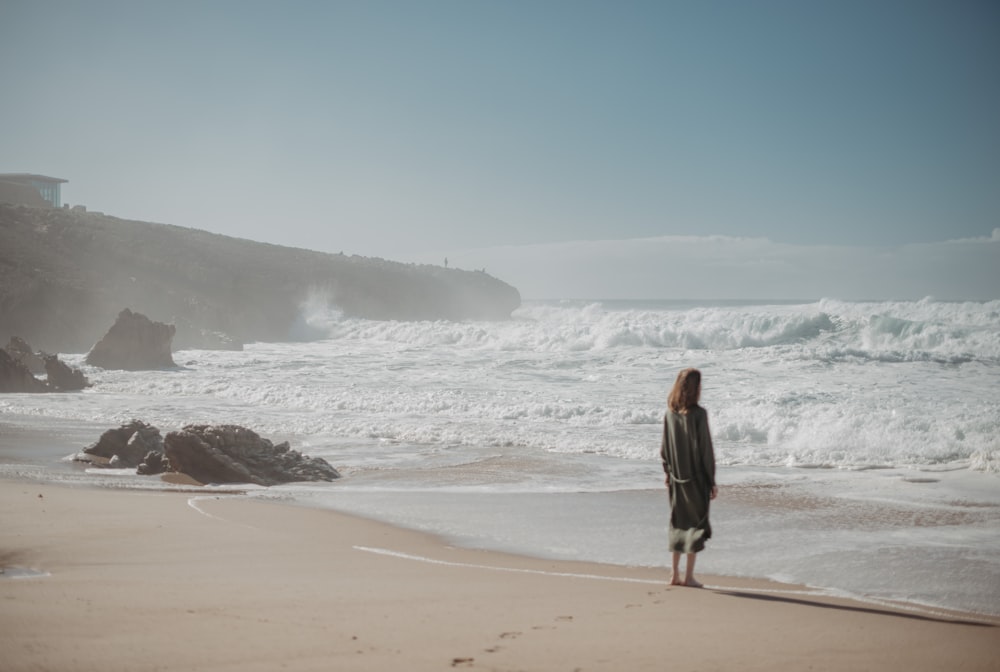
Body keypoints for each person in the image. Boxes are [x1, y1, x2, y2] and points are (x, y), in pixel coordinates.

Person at [660, 367, 718, 587]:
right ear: (696, 389)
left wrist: (667, 472)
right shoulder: (699, 414)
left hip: (676, 478)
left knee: (678, 523)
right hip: (696, 481)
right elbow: (706, 451)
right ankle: (689, 577)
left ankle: (674, 574)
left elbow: (664, 449)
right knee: (695, 526)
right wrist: (711, 481)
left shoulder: (669, 414)